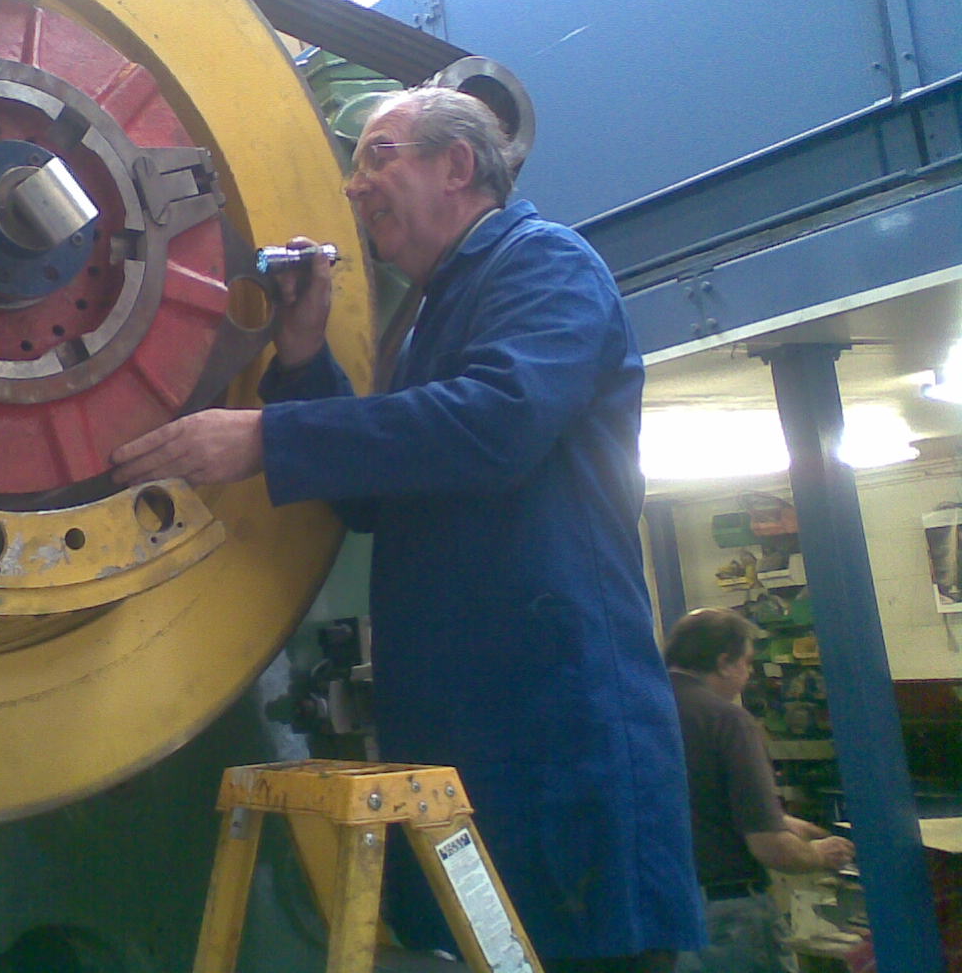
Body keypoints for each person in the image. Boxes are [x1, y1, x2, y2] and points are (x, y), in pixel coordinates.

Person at [112, 87, 704, 970]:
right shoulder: (433, 310)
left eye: (378, 156)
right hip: (463, 731)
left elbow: (498, 426)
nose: (355, 187)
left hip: (556, 724)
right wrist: (303, 354)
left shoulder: (546, 264)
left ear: (457, 166)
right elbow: (374, 499)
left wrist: (268, 437)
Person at [663, 608, 856, 973]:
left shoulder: (640, 711)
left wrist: (782, 821)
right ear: (724, 662)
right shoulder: (726, 719)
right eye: (747, 663)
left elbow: (693, 801)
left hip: (659, 912)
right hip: (726, 917)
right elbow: (770, 846)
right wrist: (818, 854)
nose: (749, 674)